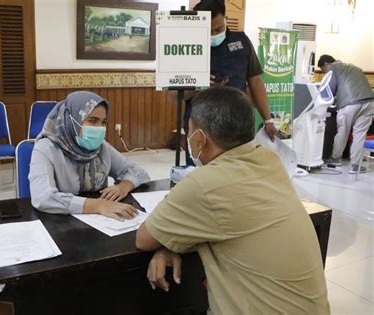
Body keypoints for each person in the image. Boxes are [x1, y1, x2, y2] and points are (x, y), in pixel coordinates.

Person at [136, 87, 330, 314]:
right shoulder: (269, 159)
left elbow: (144, 238)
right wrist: (170, 242)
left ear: (199, 138)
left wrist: (168, 241)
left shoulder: (204, 184)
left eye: (188, 132)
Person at [29, 91, 150, 220]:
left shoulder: (101, 147)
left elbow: (138, 172)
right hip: (60, 221)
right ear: (71, 120)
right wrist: (98, 205)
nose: (99, 128)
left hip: (101, 221)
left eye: (103, 122)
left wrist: (124, 186)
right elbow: (43, 197)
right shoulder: (46, 148)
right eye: (92, 121)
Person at [183, 0, 277, 166]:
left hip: (238, 124)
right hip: (202, 126)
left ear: (225, 18)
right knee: (200, 175)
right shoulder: (188, 46)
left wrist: (268, 120)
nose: (213, 35)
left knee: (238, 173)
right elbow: (173, 96)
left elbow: (255, 82)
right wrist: (199, 85)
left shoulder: (242, 42)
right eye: (208, 31)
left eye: (218, 29)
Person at [318, 54, 374, 174]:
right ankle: (355, 166)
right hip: (369, 102)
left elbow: (328, 92)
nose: (324, 73)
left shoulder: (333, 68)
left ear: (326, 65)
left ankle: (335, 160)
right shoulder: (354, 67)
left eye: (323, 70)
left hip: (349, 104)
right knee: (359, 135)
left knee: (343, 132)